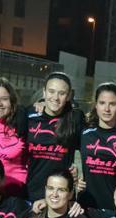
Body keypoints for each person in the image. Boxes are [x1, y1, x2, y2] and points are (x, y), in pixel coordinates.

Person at [24, 72, 85, 201]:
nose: (56, 97)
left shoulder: (75, 119)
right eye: (51, 91)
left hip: (61, 195)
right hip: (30, 191)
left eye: (61, 93)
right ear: (44, 92)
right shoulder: (29, 115)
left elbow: (98, 130)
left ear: (68, 96)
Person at [77, 82, 116, 210]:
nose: (107, 109)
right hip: (87, 206)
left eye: (112, 104)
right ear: (95, 105)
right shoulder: (84, 132)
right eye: (102, 103)